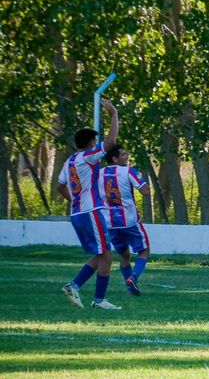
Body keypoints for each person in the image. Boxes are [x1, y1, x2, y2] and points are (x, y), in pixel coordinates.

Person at [56, 99, 122, 310]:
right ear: (91, 142)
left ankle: (81, 289)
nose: (97, 143)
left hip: (78, 213)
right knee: (108, 254)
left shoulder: (69, 162)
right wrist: (114, 115)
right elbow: (111, 143)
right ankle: (94, 297)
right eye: (95, 141)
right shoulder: (88, 156)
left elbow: (60, 186)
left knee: (102, 253)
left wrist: (74, 201)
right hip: (91, 211)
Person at [98, 144, 152, 296]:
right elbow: (145, 192)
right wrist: (143, 181)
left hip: (109, 223)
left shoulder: (98, 174)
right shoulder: (129, 171)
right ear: (115, 159)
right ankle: (133, 278)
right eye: (123, 155)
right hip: (129, 220)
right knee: (144, 250)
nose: (126, 157)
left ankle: (130, 289)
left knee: (124, 255)